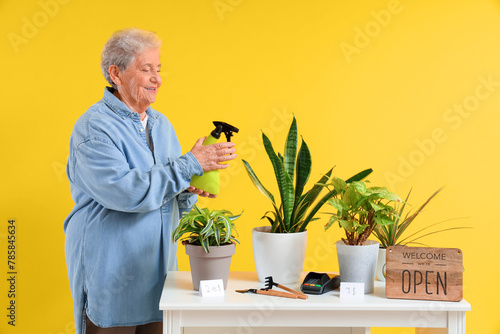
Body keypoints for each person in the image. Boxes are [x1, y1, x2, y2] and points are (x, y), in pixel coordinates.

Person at [63, 28, 236, 334]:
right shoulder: (94, 129)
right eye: (146, 69)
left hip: (159, 274)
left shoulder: (161, 124)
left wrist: (188, 189)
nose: (157, 78)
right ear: (115, 74)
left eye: (158, 69)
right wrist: (190, 164)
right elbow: (127, 193)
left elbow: (168, 194)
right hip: (113, 275)